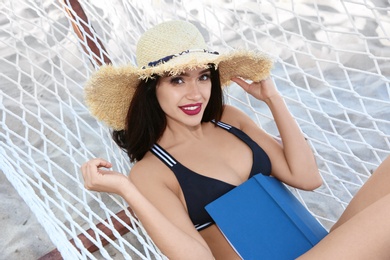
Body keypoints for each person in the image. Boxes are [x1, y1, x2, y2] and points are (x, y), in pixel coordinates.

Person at [82, 20, 390, 259]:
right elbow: (196, 258)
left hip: (316, 247)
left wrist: (273, 99)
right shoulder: (151, 171)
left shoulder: (229, 120)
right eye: (177, 80)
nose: (195, 93)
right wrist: (127, 190)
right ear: (151, 89)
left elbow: (307, 178)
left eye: (203, 76)